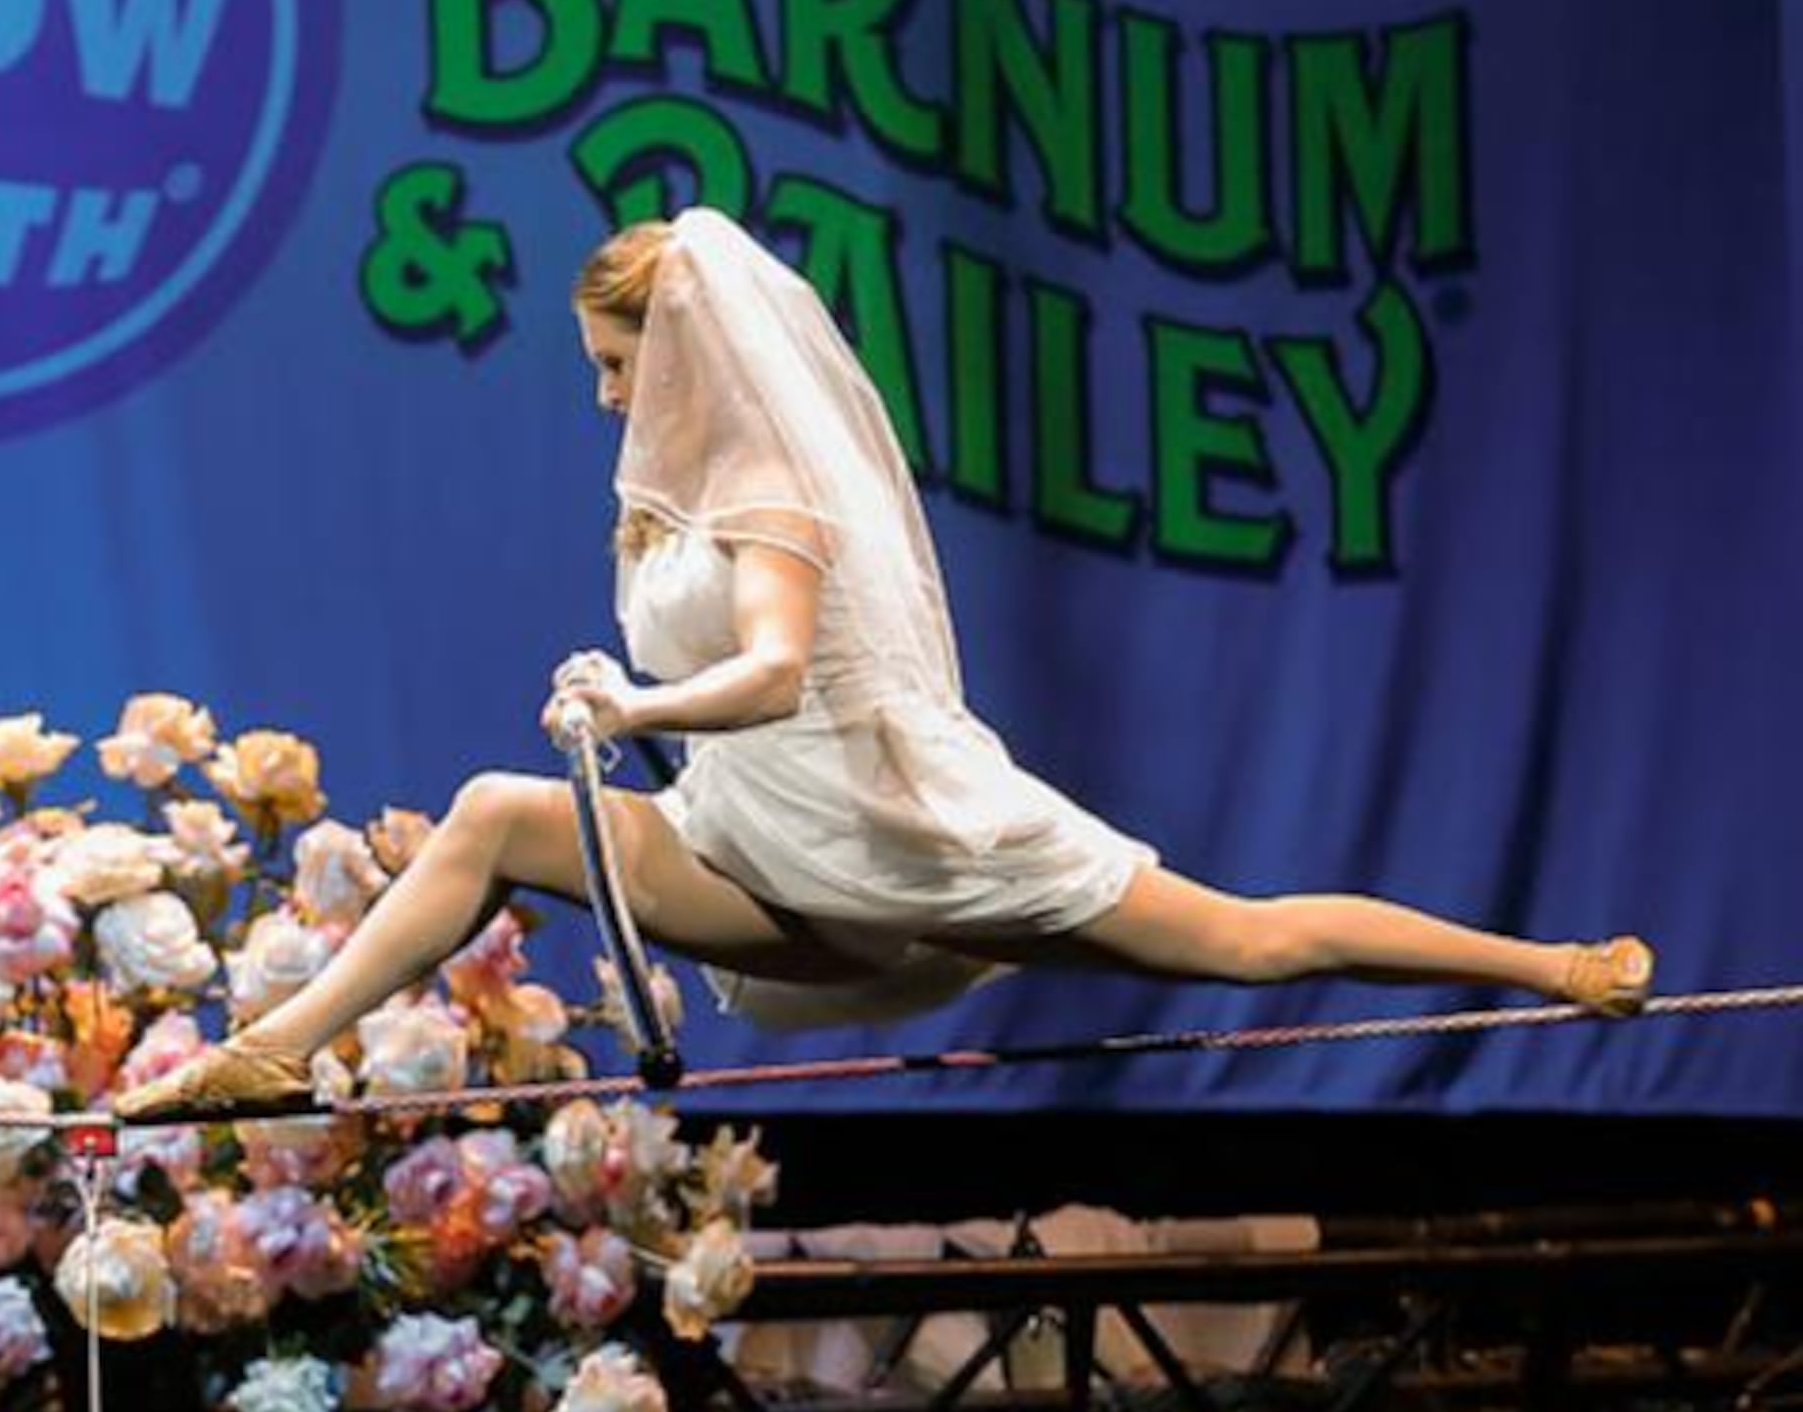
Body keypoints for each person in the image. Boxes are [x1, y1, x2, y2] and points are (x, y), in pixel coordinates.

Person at [121, 208, 1650, 1122]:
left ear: (683, 358)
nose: (604, 401)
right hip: (761, 854)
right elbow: (710, 691)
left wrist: (637, 700)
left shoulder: (772, 492)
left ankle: (1558, 970)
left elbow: (777, 673)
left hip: (898, 840)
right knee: (492, 814)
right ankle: (275, 1051)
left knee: (1249, 946)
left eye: (616, 368)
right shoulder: (668, 506)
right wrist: (621, 689)